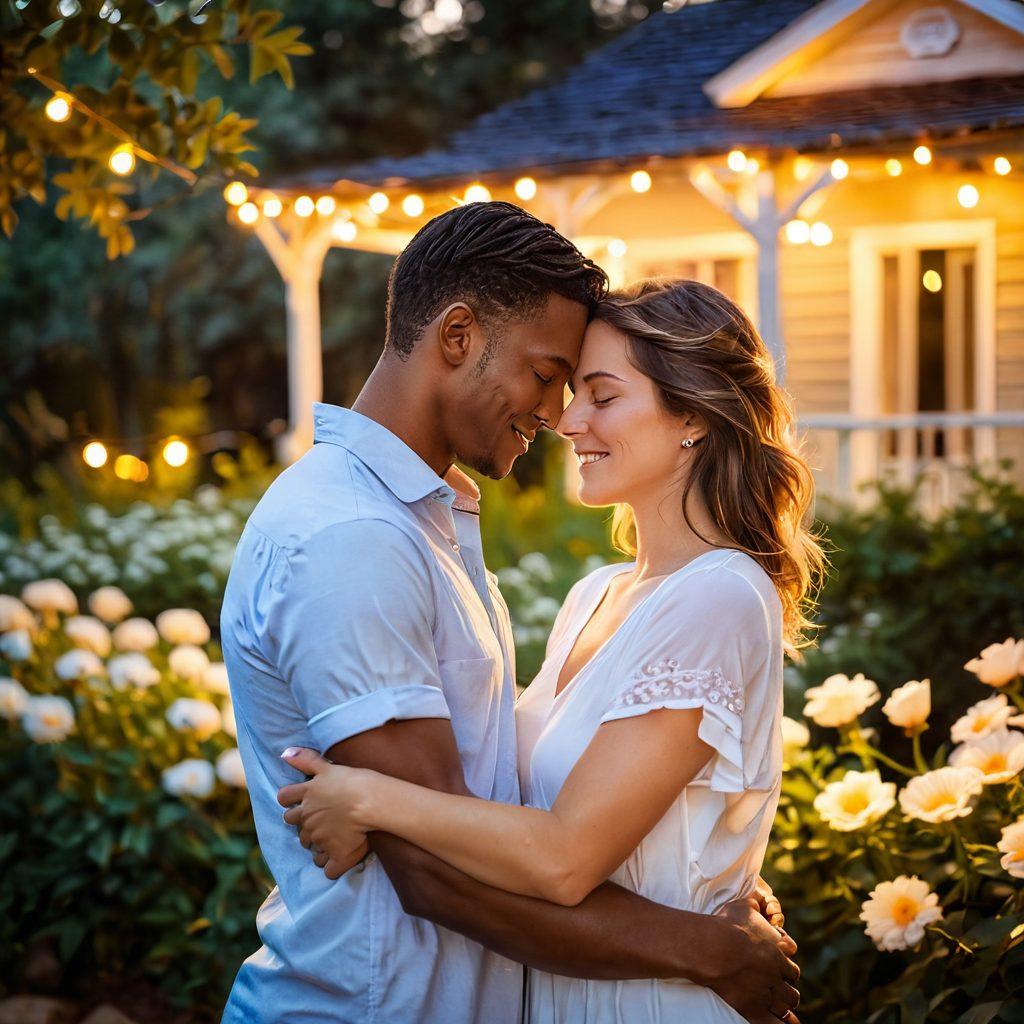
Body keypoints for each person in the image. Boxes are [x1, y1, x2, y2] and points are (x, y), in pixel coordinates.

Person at [221, 202, 801, 1024]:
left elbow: (542, 818)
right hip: (373, 1008)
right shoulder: (357, 536)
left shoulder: (434, 526)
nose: (559, 416)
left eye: (593, 392)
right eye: (549, 376)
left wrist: (712, 872)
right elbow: (431, 870)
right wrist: (703, 944)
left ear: (694, 423)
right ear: (457, 337)